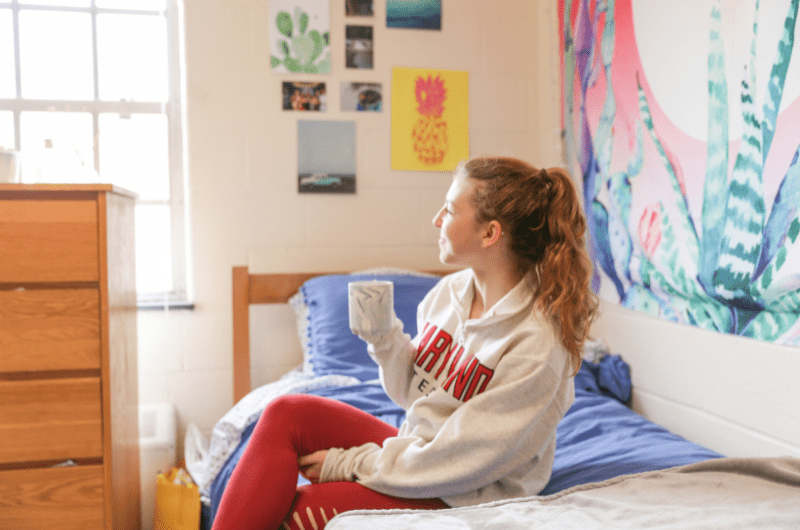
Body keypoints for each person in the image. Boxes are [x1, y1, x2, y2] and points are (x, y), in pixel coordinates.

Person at [211, 156, 599, 530]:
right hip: (422, 449)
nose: (436, 220)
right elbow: (414, 396)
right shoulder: (450, 293)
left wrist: (349, 464)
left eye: (449, 210)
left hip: (467, 490)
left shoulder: (536, 345)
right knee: (286, 412)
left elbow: (464, 461)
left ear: (489, 233)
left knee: (295, 514)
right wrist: (383, 339)